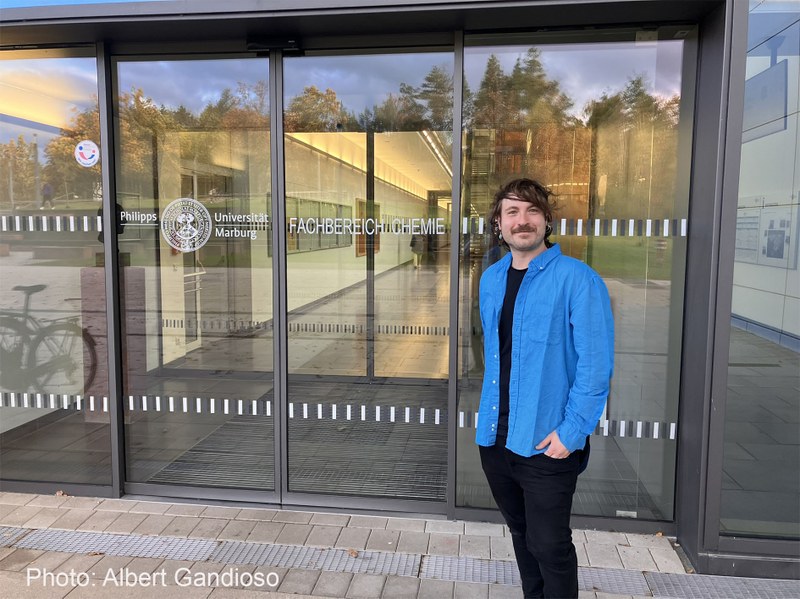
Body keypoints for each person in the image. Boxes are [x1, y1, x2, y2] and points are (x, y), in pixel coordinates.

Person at [476, 178, 614, 599]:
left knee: (551, 546)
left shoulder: (578, 280)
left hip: (546, 441)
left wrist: (571, 434)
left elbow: (596, 367)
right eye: (512, 212)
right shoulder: (491, 279)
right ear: (498, 223)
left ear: (547, 220)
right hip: (496, 440)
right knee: (521, 534)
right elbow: (495, 358)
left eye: (532, 211)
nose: (522, 221)